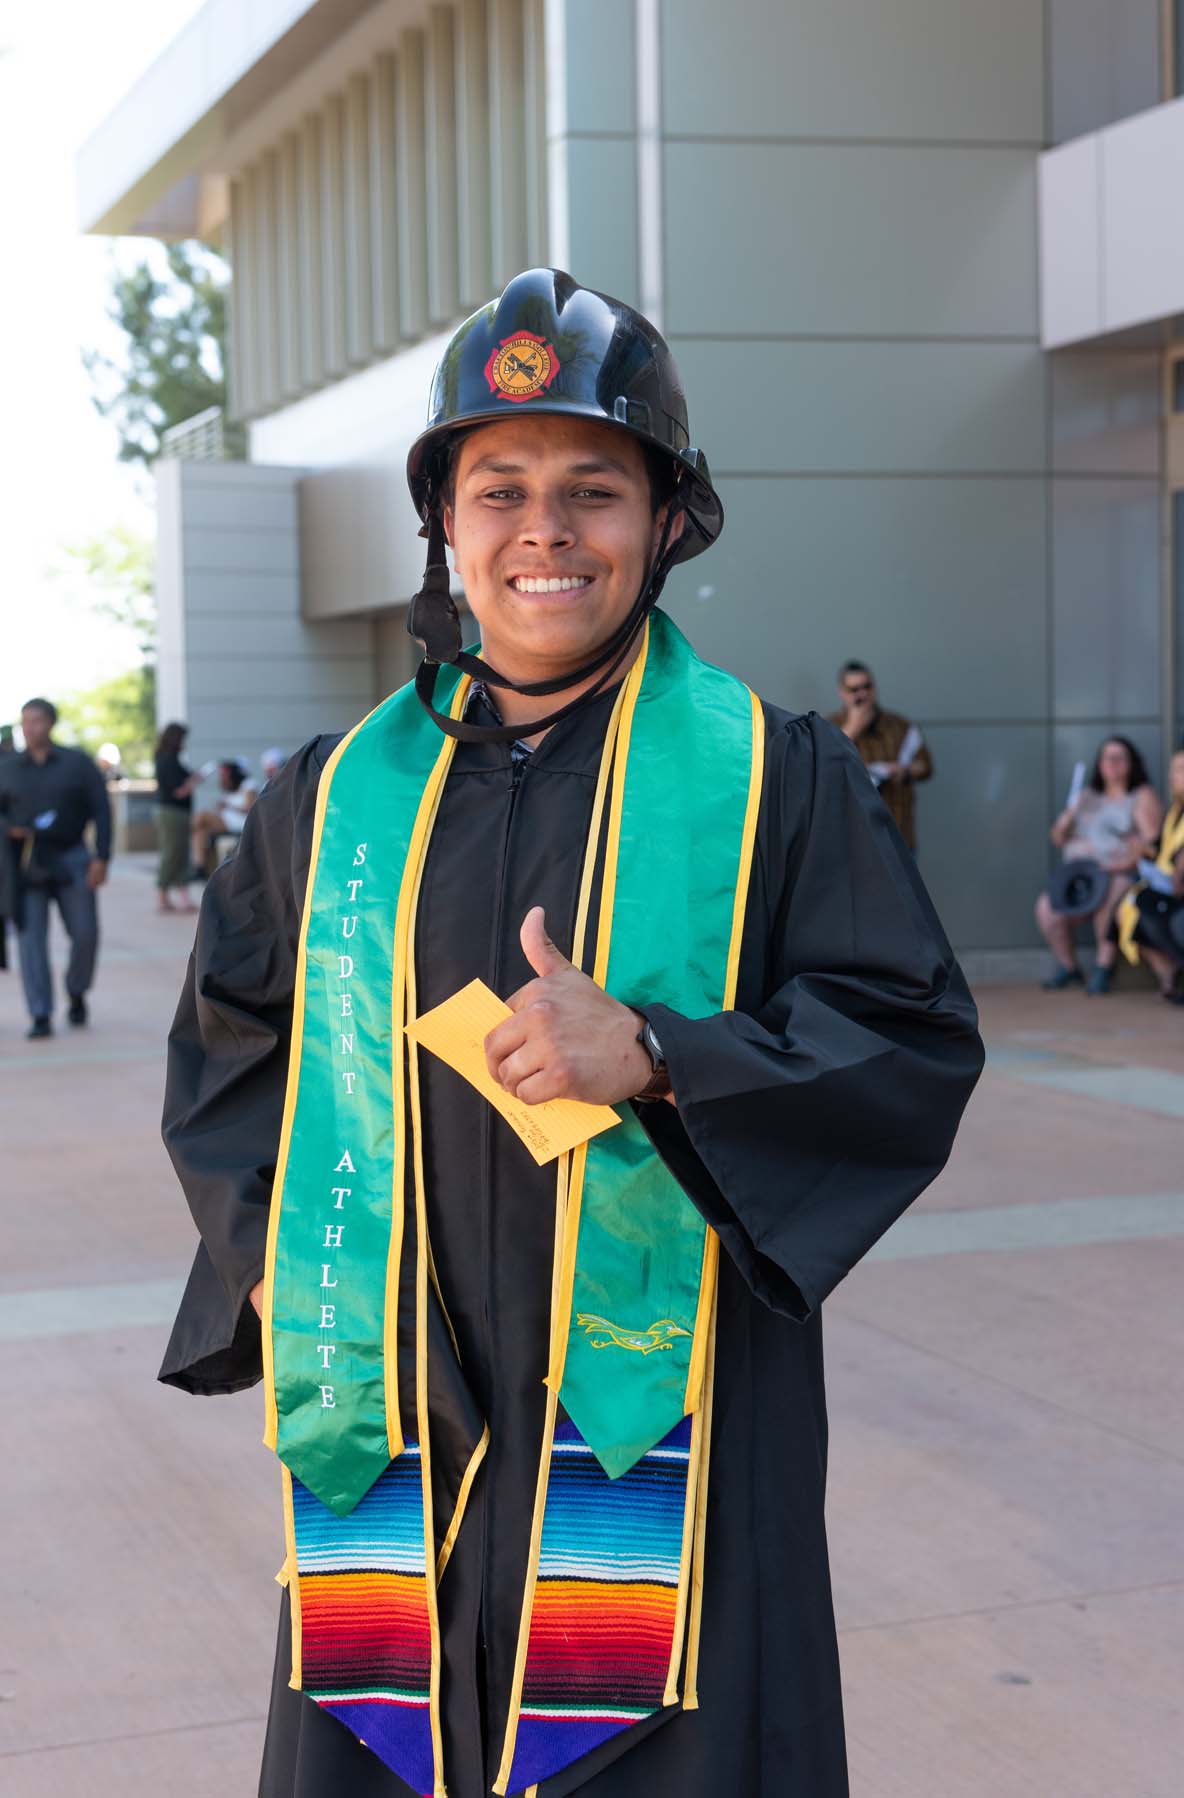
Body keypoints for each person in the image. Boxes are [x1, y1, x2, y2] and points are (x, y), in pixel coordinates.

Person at [159, 268, 984, 1798]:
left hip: (671, 1432)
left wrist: (667, 1056)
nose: (545, 528)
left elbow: (910, 1031)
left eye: (594, 487)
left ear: (669, 521)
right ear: (448, 529)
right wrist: (283, 1252)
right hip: (396, 1408)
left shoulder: (775, 776)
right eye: (501, 488)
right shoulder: (329, 800)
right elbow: (229, 1050)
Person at [0, 697, 111, 1038]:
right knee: (30, 941)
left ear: (50, 723)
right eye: (24, 722)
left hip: (72, 856)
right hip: (26, 863)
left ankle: (77, 990)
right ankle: (40, 1013)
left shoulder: (77, 763)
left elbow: (102, 810)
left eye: (35, 721)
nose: (29, 728)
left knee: (85, 934)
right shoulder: (8, 767)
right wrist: (9, 829)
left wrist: (102, 857)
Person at [1036, 735, 1163, 995]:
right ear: (1100, 763)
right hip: (1079, 876)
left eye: (1120, 757)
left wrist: (1126, 858)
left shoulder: (1140, 796)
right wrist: (1066, 820)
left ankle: (1103, 968)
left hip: (1118, 873)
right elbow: (1058, 837)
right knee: (1046, 909)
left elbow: (1154, 844)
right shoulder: (1085, 796)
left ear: (1131, 763)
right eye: (1108, 757)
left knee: (1109, 898)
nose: (1113, 763)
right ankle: (1069, 967)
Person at [1116, 745, 1184, 998]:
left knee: (1181, 923)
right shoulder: (1176, 811)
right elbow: (1165, 848)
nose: (1173, 775)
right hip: (1177, 883)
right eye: (1172, 769)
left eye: (1181, 769)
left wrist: (1180, 871)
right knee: (1146, 913)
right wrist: (1143, 850)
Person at [828, 660, 932, 851]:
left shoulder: (899, 725)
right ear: (842, 693)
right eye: (854, 689)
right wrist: (852, 728)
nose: (862, 694)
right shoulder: (828, 727)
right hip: (851, 839)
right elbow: (822, 768)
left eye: (867, 687)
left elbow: (925, 766)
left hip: (897, 833)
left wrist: (905, 770)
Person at [154, 723, 202, 914]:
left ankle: (182, 897)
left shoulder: (170, 760)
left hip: (177, 812)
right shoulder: (167, 761)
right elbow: (178, 791)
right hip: (172, 812)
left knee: (181, 854)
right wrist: (193, 783)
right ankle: (163, 895)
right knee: (172, 853)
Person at [189, 758, 256, 877]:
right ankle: (200, 868)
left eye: (224, 776)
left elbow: (249, 808)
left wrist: (228, 805)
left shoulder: (248, 785)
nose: (222, 779)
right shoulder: (229, 790)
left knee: (201, 817)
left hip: (238, 823)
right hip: (225, 821)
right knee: (200, 832)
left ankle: (186, 830)